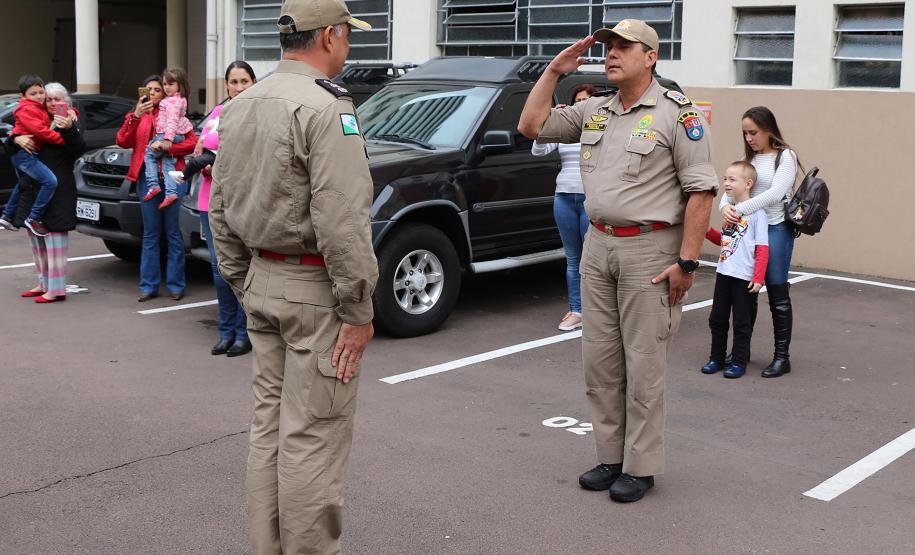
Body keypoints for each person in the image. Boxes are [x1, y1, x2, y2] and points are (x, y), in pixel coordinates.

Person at [518, 19, 717, 503]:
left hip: (650, 249)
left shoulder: (678, 114)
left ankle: (640, 466)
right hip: (598, 245)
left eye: (624, 47)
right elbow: (532, 126)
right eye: (609, 46)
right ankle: (610, 457)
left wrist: (688, 263)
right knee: (601, 362)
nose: (611, 53)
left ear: (650, 57)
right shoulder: (595, 110)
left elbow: (701, 191)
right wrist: (553, 72)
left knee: (643, 364)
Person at [209, 1, 377, 552]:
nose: (347, 45)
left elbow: (219, 206)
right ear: (329, 35)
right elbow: (342, 220)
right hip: (314, 291)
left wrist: (242, 278)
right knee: (313, 438)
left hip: (262, 278)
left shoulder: (240, 104)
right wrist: (358, 309)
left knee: (269, 430)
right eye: (347, 35)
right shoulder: (327, 106)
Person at [720, 106, 798, 378]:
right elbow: (730, 189)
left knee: (777, 290)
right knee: (746, 289)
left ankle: (782, 357)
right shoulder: (749, 158)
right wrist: (724, 207)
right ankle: (741, 352)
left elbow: (776, 194)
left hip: (776, 228)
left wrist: (738, 209)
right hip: (748, 231)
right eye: (745, 133)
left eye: (753, 132)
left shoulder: (785, 156)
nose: (749, 138)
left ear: (768, 129)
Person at [186, 61, 257, 357]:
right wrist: (203, 161)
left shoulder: (257, 115)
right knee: (219, 270)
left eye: (244, 81)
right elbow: (200, 148)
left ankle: (244, 332)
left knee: (242, 268)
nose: (238, 87)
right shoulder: (217, 112)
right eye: (233, 82)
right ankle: (225, 331)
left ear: (254, 83)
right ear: (226, 85)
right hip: (210, 200)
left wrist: (218, 163)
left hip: (242, 201)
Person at [115, 75, 197, 302]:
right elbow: (122, 141)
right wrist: (135, 115)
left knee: (173, 233)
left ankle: (176, 285)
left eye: (156, 89)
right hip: (147, 181)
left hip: (173, 179)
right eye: (147, 89)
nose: (151, 93)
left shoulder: (174, 112)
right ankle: (148, 286)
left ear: (164, 92)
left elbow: (192, 142)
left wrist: (169, 148)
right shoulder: (138, 115)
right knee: (150, 233)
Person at [8, 82, 86, 303]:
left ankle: (56, 289)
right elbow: (13, 145)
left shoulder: (69, 121)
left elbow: (79, 148)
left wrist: (69, 127)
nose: (52, 103)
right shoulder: (36, 119)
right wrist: (15, 139)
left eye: (57, 99)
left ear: (66, 102)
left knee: (55, 241)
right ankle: (43, 283)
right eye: (48, 99)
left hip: (59, 190)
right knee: (36, 241)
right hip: (35, 190)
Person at [531, 83, 596, 331]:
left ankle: (595, 310)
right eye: (577, 101)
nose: (580, 104)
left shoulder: (600, 128)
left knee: (591, 259)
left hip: (591, 199)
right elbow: (538, 150)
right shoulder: (566, 129)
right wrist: (550, 120)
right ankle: (576, 310)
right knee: (572, 258)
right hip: (564, 197)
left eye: (585, 100)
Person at [702, 161, 768, 379]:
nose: (726, 183)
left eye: (732, 179)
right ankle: (716, 358)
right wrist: (706, 231)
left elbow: (762, 248)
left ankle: (739, 361)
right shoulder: (729, 211)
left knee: (741, 322)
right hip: (724, 273)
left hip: (744, 277)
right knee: (717, 319)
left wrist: (758, 277)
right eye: (725, 179)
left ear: (748, 184)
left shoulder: (758, 214)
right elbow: (726, 241)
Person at [0, 75, 66, 237]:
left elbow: (63, 112)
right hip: (25, 154)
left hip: (28, 154)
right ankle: (34, 218)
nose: (39, 97)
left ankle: (7, 216)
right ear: (23, 96)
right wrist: (62, 139)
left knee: (22, 184)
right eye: (33, 93)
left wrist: (71, 112)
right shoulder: (28, 109)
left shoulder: (41, 108)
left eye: (41, 92)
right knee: (50, 182)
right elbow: (40, 131)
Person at [141, 67, 193, 210]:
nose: (167, 87)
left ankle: (153, 185)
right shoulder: (180, 100)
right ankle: (171, 193)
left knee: (149, 153)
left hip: (168, 134)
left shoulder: (171, 102)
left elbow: (172, 121)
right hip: (176, 134)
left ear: (180, 85)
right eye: (165, 84)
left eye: (170, 84)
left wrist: (168, 140)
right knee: (167, 163)